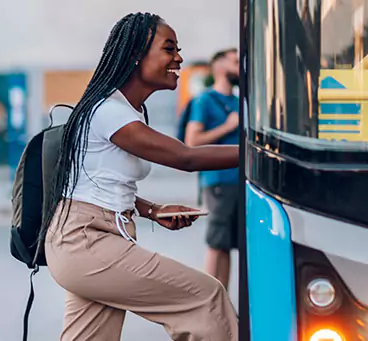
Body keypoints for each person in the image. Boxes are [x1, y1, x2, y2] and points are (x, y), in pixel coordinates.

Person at [41, 13, 240, 341]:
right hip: (86, 241)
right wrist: (261, 152)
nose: (179, 58)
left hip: (88, 241)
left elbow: (97, 181)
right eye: (169, 48)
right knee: (206, 297)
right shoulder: (109, 111)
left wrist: (151, 210)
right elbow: (185, 157)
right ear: (136, 54)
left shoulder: (123, 110)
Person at [183, 48, 241, 288]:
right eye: (236, 62)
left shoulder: (239, 101)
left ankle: (222, 302)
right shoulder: (204, 100)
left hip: (240, 181)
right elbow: (192, 141)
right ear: (220, 68)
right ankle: (210, 303)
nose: (241, 67)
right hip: (217, 180)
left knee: (227, 245)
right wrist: (227, 127)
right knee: (217, 243)